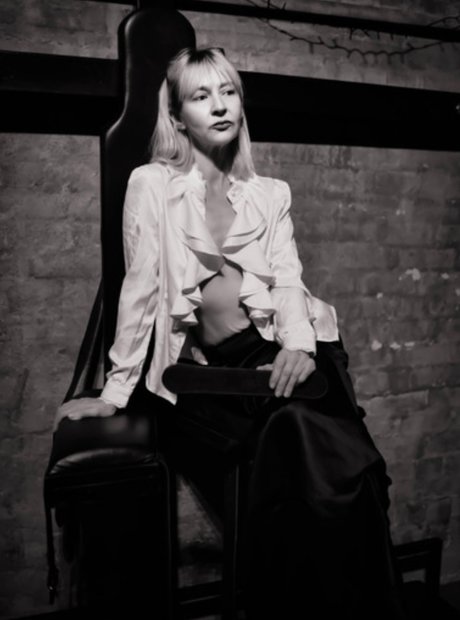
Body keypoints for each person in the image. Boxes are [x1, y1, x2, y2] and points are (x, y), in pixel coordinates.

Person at [55, 47, 407, 619]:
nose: (219, 106)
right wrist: (115, 392)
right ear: (177, 117)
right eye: (201, 96)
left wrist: (299, 347)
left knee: (329, 453)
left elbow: (288, 281)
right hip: (227, 371)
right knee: (319, 448)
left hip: (297, 348)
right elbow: (139, 289)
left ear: (241, 104)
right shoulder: (152, 185)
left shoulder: (269, 194)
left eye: (228, 92)